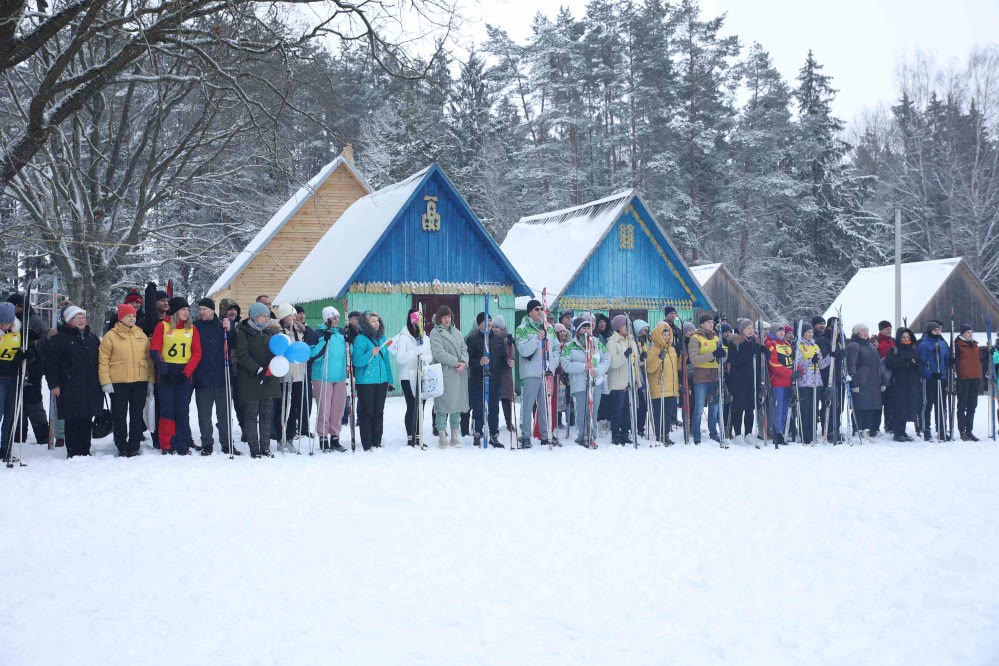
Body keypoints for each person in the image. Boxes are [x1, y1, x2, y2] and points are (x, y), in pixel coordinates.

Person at [45, 306, 102, 458]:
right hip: (69, 386)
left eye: (82, 317)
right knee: (72, 419)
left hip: (90, 386)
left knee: (86, 419)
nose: (81, 321)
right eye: (77, 318)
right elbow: (50, 364)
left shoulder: (92, 338)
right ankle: (73, 451)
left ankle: (85, 449)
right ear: (69, 321)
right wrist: (54, 384)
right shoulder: (59, 339)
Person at [98, 303, 154, 457]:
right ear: (120, 317)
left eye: (134, 316)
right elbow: (103, 360)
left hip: (139, 382)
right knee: (119, 415)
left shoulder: (141, 335)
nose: (131, 318)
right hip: (118, 383)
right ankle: (121, 444)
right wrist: (105, 381)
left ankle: (134, 445)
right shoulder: (110, 336)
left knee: (137, 415)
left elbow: (149, 360)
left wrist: (150, 381)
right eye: (128, 315)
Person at [150, 297, 202, 454]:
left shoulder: (191, 329)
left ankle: (183, 444)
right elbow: (155, 350)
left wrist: (185, 373)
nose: (186, 312)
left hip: (185, 375)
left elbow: (197, 353)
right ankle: (167, 444)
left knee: (182, 409)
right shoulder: (162, 326)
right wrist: (165, 372)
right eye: (183, 309)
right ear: (175, 312)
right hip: (165, 374)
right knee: (167, 410)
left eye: (187, 309)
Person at [235, 302, 280, 457]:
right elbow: (242, 355)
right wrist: (258, 369)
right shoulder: (243, 332)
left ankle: (265, 448)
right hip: (250, 379)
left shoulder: (270, 333)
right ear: (254, 317)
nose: (267, 318)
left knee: (266, 415)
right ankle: (254, 449)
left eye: (268, 315)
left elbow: (275, 353)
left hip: (268, 379)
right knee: (251, 415)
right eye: (264, 315)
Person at [192, 298, 236, 456]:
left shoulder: (223, 324)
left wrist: (230, 329)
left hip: (222, 376)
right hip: (203, 377)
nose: (201, 312)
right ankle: (207, 443)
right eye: (200, 309)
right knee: (204, 413)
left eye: (204, 309)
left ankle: (226, 443)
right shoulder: (195, 326)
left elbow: (234, 344)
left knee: (224, 413)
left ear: (212, 310)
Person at [560, 316, 610, 447]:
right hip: (579, 383)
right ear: (577, 330)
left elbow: (606, 358)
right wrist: (583, 367)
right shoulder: (570, 345)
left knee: (592, 410)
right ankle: (582, 435)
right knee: (581, 410)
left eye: (588, 327)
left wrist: (598, 370)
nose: (587, 330)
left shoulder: (597, 342)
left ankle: (592, 435)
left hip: (595, 382)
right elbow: (565, 364)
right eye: (584, 327)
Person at [515, 300, 559, 448]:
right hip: (531, 373)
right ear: (530, 312)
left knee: (546, 406)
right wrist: (536, 339)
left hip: (546, 373)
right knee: (527, 406)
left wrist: (552, 364)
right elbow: (523, 350)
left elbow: (557, 349)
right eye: (536, 309)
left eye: (541, 309)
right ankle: (526, 436)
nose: (540, 312)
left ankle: (546, 435)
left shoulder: (550, 329)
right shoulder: (522, 329)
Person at [466, 311, 509, 447]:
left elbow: (502, 358)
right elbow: (468, 360)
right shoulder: (472, 339)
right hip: (478, 380)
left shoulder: (498, 339)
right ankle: (477, 433)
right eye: (485, 321)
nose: (489, 323)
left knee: (493, 408)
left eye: (490, 320)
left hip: (494, 380)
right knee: (478, 408)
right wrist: (479, 362)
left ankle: (493, 435)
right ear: (480, 324)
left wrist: (508, 361)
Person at [350, 310, 392, 450]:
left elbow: (386, 360)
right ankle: (367, 443)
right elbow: (357, 361)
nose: (376, 323)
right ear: (366, 323)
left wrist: (389, 379)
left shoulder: (383, 338)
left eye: (378, 321)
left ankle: (377, 441)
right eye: (373, 321)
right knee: (367, 412)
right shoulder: (360, 339)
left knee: (379, 412)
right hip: (366, 382)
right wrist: (370, 353)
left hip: (381, 381)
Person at [309, 306, 349, 452]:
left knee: (338, 409)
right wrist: (323, 340)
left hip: (339, 375)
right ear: (327, 318)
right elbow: (313, 354)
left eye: (338, 317)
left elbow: (346, 353)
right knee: (324, 408)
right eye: (333, 318)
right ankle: (323, 437)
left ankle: (335, 437)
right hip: (323, 376)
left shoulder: (341, 333)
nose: (336, 320)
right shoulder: (318, 333)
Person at [429, 305, 469, 448]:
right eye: (444, 317)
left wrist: (464, 362)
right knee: (442, 406)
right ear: (439, 318)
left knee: (456, 406)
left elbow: (464, 348)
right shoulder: (435, 333)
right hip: (445, 372)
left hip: (459, 373)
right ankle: (442, 436)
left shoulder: (457, 332)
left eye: (449, 316)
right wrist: (455, 362)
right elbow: (438, 352)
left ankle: (454, 436)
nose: (447, 319)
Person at [395, 309, 433, 448]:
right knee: (412, 406)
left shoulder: (426, 338)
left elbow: (430, 355)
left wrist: (425, 358)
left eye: (420, 322)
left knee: (421, 407)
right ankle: (411, 437)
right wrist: (414, 352)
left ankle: (419, 436)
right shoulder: (403, 337)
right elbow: (399, 358)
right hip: (407, 376)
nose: (419, 324)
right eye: (416, 321)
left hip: (421, 375)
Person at [272, 302, 307, 452]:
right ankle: (280, 437)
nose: (293, 318)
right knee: (281, 408)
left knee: (294, 408)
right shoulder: (277, 332)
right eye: (290, 315)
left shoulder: (298, 330)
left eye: (294, 315)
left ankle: (290, 438)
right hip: (282, 375)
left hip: (297, 375)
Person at [688, 314, 726, 445]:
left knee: (714, 408)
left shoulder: (716, 337)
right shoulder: (695, 338)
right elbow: (694, 359)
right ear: (702, 324)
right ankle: (696, 434)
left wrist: (723, 355)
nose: (711, 324)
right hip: (701, 377)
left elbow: (723, 356)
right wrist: (712, 355)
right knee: (699, 409)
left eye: (712, 322)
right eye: (708, 322)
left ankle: (713, 433)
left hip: (715, 376)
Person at [725, 319, 760, 447]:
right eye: (748, 328)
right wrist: (749, 352)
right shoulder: (735, 342)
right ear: (742, 330)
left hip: (751, 380)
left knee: (750, 408)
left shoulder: (754, 342)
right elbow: (735, 360)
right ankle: (738, 433)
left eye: (752, 327)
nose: (751, 330)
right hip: (738, 380)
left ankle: (748, 433)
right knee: (738, 408)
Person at [794, 322, 829, 445]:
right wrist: (810, 361)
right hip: (804, 382)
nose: (810, 334)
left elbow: (821, 364)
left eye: (811, 332)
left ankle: (813, 432)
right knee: (805, 409)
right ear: (803, 333)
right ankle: (804, 434)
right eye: (807, 332)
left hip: (816, 381)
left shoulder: (815, 346)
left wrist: (830, 357)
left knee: (814, 409)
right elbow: (797, 363)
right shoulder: (800, 346)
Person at [846, 323, 883, 437]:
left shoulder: (871, 346)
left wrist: (883, 380)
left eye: (867, 330)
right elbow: (851, 364)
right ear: (857, 333)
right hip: (861, 381)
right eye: (863, 331)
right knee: (860, 406)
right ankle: (858, 428)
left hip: (873, 381)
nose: (866, 333)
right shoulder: (854, 345)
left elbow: (879, 364)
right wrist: (854, 382)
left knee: (871, 406)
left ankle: (869, 428)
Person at [884, 327, 922, 441]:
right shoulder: (894, 350)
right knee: (898, 408)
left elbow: (921, 365)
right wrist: (903, 361)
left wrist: (914, 365)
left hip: (911, 383)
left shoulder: (914, 351)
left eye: (907, 337)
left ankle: (903, 431)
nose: (906, 339)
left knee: (908, 407)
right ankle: (897, 432)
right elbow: (889, 364)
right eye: (903, 337)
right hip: (898, 383)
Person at [645, 320, 679, 445]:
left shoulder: (672, 350)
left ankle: (666, 434)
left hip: (671, 386)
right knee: (659, 413)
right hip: (659, 386)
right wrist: (660, 358)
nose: (667, 337)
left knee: (668, 413)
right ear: (658, 335)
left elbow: (676, 367)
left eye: (668, 334)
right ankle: (660, 435)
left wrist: (683, 357)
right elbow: (650, 368)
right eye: (664, 334)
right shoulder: (653, 350)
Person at [607, 314, 638, 445]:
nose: (627, 328)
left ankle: (625, 432)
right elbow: (612, 363)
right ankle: (616, 434)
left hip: (630, 380)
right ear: (618, 327)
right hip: (618, 381)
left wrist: (641, 358)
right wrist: (625, 356)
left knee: (628, 410)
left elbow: (635, 360)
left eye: (628, 325)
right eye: (625, 325)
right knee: (617, 410)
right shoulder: (612, 342)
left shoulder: (631, 340)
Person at [918, 321, 950, 441]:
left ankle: (942, 429)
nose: (937, 332)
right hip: (930, 378)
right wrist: (930, 373)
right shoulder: (924, 345)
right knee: (928, 404)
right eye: (935, 330)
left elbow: (945, 360)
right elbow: (921, 363)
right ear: (930, 331)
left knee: (941, 404)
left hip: (941, 378)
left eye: (939, 330)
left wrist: (950, 362)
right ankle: (926, 429)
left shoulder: (942, 344)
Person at [0, 303, 25, 460]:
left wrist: (25, 356)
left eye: (6, 322)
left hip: (13, 379)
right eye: (0, 322)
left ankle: (5, 448)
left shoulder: (18, 334)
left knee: (10, 415)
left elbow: (28, 353)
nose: (3, 325)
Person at [763, 321, 792, 445]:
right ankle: (776, 431)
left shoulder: (786, 344)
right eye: (779, 331)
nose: (781, 333)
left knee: (785, 407)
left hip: (788, 381)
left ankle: (782, 430)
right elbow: (773, 364)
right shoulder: (770, 344)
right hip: (777, 381)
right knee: (778, 408)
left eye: (782, 331)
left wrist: (798, 371)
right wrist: (790, 373)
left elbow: (792, 360)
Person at [219, 298, 244, 438]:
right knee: (225, 404)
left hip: (240, 370)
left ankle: (245, 429)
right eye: (230, 309)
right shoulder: (217, 324)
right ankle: (224, 429)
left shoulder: (241, 325)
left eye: (235, 309)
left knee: (241, 403)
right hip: (224, 370)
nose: (233, 311)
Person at [953, 324, 981, 441]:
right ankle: (962, 431)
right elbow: (955, 361)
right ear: (962, 333)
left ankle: (969, 430)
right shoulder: (958, 345)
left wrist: (989, 354)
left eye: (971, 332)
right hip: (964, 378)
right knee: (962, 405)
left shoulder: (975, 345)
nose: (970, 334)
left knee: (972, 405)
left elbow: (977, 360)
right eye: (967, 332)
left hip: (975, 377)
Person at [296, 305, 317, 437]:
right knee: (295, 401)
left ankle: (304, 428)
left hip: (307, 370)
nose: (302, 315)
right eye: (299, 313)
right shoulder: (291, 329)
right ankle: (293, 428)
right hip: (293, 371)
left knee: (307, 400)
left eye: (303, 313)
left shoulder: (309, 330)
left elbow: (312, 349)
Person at [495, 316, 516, 434]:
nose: (495, 329)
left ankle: (509, 422)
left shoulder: (508, 340)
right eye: (493, 327)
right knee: (494, 400)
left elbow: (512, 355)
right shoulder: (491, 338)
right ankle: (494, 423)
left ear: (502, 328)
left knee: (506, 398)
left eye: (497, 327)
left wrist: (510, 360)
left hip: (505, 373)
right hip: (495, 372)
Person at [875, 320, 895, 433]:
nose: (889, 331)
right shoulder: (877, 341)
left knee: (890, 402)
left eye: (890, 329)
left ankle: (889, 424)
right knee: (880, 402)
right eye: (887, 329)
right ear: (881, 330)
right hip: (881, 374)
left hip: (892, 374)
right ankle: (876, 425)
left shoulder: (893, 340)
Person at [342, 310, 361, 428]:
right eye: (355, 319)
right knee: (346, 393)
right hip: (347, 366)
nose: (357, 321)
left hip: (359, 366)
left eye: (359, 319)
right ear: (349, 320)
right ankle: (344, 417)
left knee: (361, 394)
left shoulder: (363, 332)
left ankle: (359, 417)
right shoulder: (346, 332)